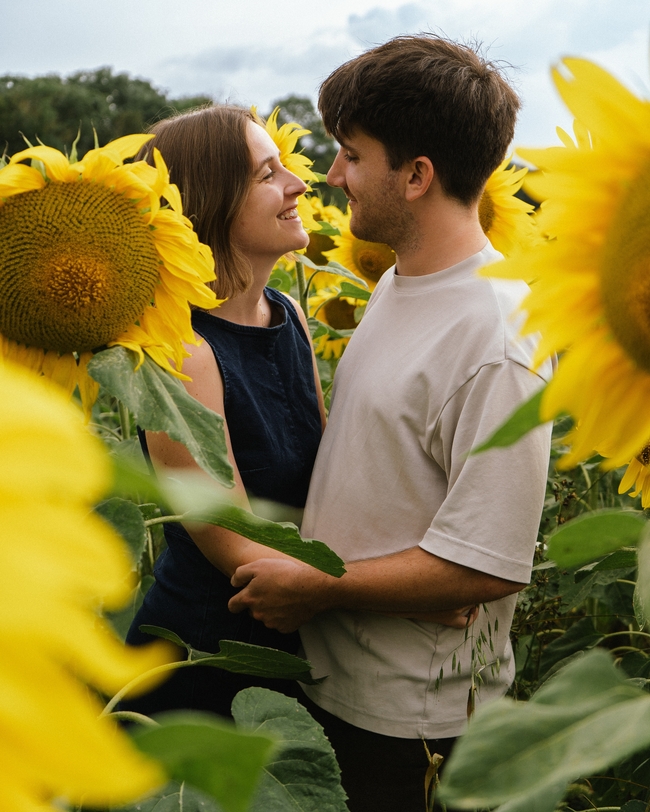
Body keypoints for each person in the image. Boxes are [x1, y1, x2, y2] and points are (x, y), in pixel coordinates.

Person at [228, 36, 554, 810]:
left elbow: (488, 566)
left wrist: (316, 587)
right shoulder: (406, 284)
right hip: (340, 680)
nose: (332, 175)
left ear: (416, 176)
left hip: (414, 725)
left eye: (350, 154)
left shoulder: (495, 339)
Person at [124, 104, 476, 721]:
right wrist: (413, 595)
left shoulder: (287, 316)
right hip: (200, 662)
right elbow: (238, 550)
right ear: (209, 200)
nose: (298, 185)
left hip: (294, 651)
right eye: (267, 175)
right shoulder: (181, 351)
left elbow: (325, 481)